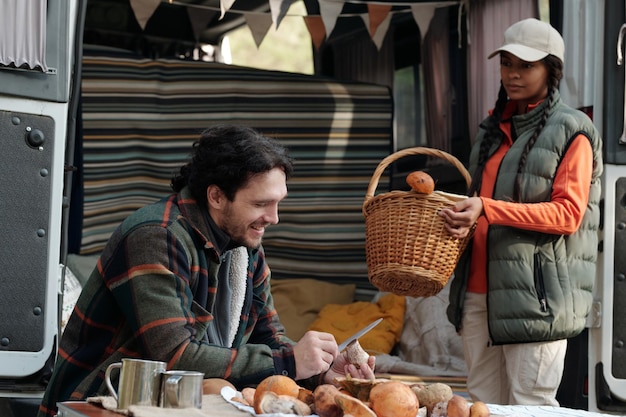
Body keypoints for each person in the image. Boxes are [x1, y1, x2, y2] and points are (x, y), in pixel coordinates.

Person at [38, 125, 375, 417]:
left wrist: (321, 371)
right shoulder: (157, 235)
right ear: (216, 195)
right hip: (97, 403)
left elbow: (269, 339)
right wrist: (288, 361)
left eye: (278, 203)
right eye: (260, 204)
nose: (274, 218)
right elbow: (175, 357)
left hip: (176, 404)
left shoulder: (247, 245)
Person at [439, 18, 602, 406]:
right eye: (506, 63)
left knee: (531, 406)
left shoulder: (572, 130)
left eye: (526, 65)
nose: (512, 73)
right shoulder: (489, 129)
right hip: (477, 296)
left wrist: (487, 208)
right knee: (481, 405)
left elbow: (567, 215)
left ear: (552, 70)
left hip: (535, 301)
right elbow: (478, 205)